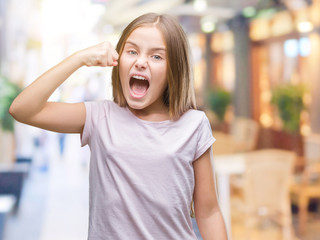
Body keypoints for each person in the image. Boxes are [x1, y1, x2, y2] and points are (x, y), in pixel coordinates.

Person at [9, 13, 227, 240]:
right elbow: (23, 109)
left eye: (156, 56)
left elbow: (209, 212)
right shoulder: (99, 116)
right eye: (132, 51)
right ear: (118, 60)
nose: (140, 62)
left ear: (175, 69)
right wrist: (79, 58)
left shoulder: (194, 124)